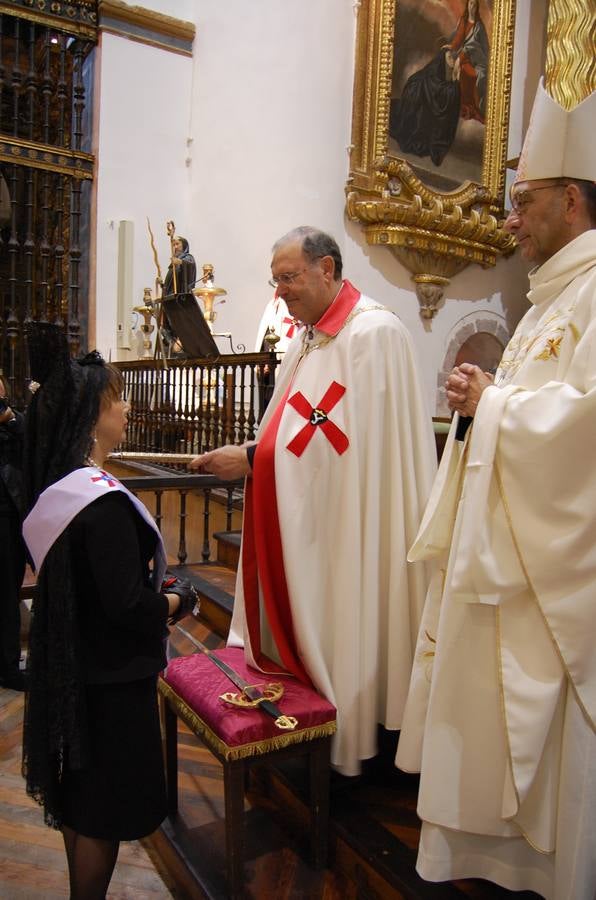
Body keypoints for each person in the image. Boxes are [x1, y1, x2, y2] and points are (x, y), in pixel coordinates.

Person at [395, 80, 596, 899]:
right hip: (502, 566)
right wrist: (486, 401)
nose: (508, 219)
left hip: (550, 580)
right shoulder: (551, 300)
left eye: (524, 200)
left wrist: (497, 404)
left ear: (573, 198)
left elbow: (584, 424)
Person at [190, 226, 437, 775]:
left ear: (327, 269)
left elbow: (352, 454)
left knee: (351, 616)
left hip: (356, 527)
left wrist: (253, 461)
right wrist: (253, 452)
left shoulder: (374, 334)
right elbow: (295, 430)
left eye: (289, 278)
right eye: (275, 280)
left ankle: (359, 725)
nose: (280, 292)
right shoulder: (308, 339)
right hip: (319, 518)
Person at [21, 324, 195, 898]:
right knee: (101, 807)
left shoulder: (65, 487)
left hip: (80, 667)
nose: (126, 410)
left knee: (82, 798)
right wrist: (177, 600)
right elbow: (125, 605)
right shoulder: (102, 503)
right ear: (96, 413)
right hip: (114, 681)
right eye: (119, 399)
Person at [390, 47, 461, 167]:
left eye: (452, 59)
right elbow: (441, 95)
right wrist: (455, 81)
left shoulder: (440, 76)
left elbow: (443, 95)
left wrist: (455, 80)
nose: (452, 61)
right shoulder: (429, 78)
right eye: (449, 58)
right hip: (416, 109)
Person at [0, 372, 26, 691]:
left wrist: (9, 418)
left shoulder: (15, 422)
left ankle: (7, 666)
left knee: (8, 593)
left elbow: (34, 438)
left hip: (9, 516)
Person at [445, 0, 489, 122]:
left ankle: (475, 106)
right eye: (470, 4)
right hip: (464, 57)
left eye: (475, 5)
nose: (472, 7)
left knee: (478, 75)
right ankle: (461, 103)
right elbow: (458, 38)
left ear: (477, 7)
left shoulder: (479, 26)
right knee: (461, 70)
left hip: (476, 59)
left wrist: (472, 51)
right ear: (467, 6)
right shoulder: (463, 21)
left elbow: (484, 47)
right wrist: (452, 47)